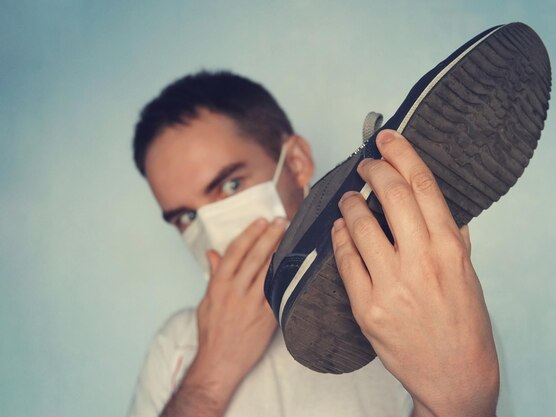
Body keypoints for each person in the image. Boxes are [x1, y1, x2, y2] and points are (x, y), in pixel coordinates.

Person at [128, 71, 499, 417]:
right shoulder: (176, 345)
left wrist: (458, 398)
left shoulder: (415, 303)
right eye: (186, 218)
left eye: (231, 185)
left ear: (296, 162)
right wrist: (210, 374)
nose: (210, 229)